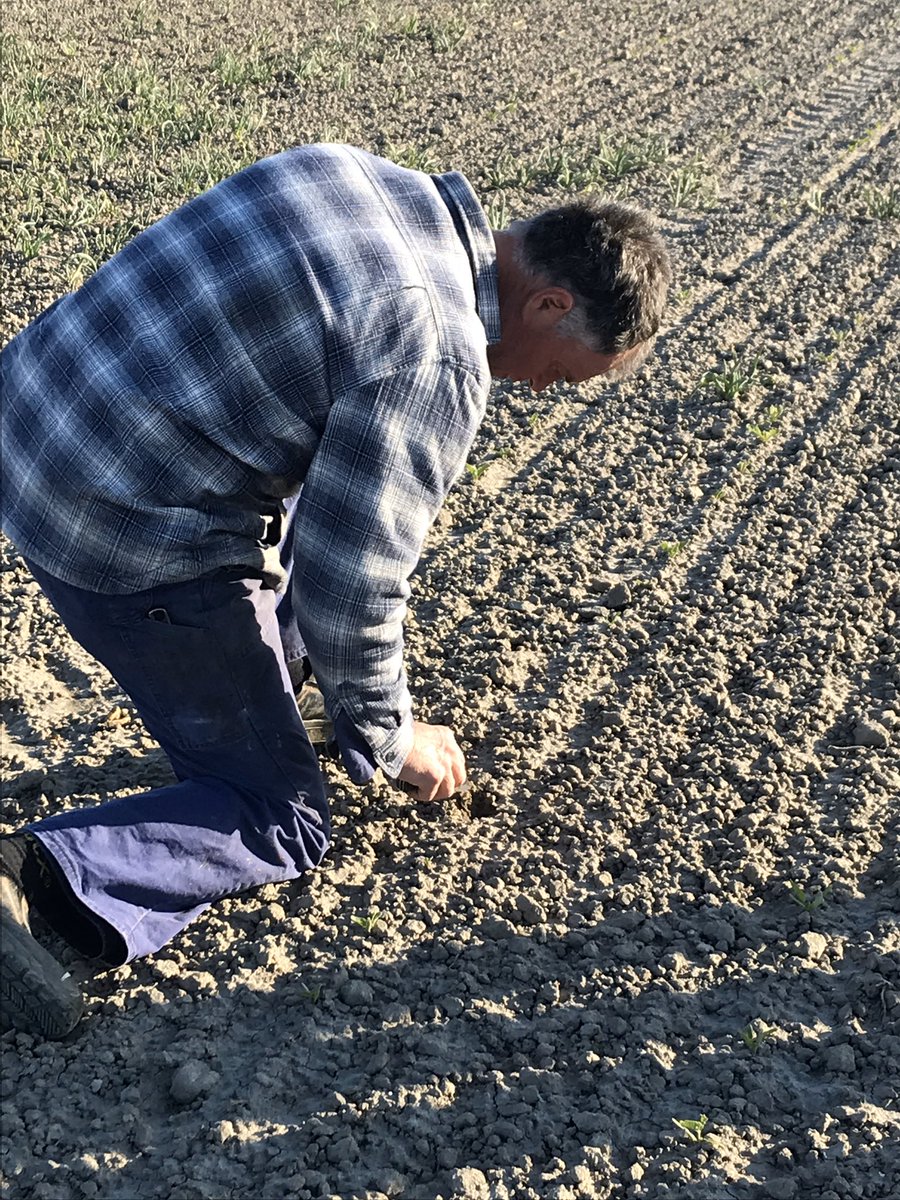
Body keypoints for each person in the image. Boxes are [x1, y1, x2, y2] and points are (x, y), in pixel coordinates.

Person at [0, 143, 671, 1038]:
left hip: (29, 419)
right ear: (550, 304)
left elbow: (321, 487)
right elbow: (352, 582)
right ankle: (36, 873)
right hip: (109, 523)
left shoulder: (353, 174)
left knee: (307, 517)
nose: (540, 387)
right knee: (278, 815)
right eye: (561, 372)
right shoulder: (438, 353)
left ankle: (289, 696)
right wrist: (393, 736)